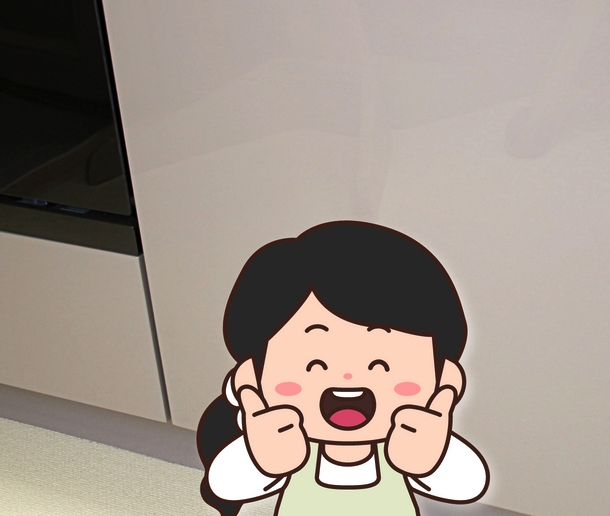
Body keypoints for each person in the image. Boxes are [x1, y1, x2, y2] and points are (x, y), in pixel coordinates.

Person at [198, 221, 489, 516]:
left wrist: (433, 460)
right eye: (314, 365)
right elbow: (224, 486)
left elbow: (469, 486)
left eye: (382, 365)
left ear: (445, 376)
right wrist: (261, 459)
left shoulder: (407, 442)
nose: (348, 383)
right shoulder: (289, 443)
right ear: (250, 376)